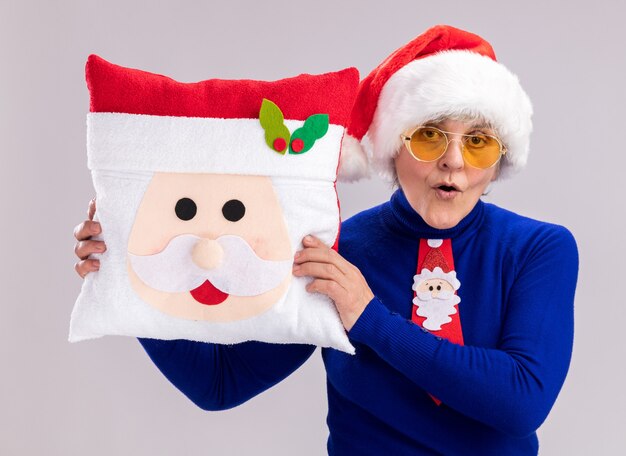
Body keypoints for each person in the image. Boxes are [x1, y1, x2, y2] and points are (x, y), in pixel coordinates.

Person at [72, 25, 578, 455]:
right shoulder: (338, 250)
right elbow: (220, 383)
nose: (453, 161)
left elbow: (521, 401)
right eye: (428, 135)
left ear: (498, 160)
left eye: (478, 141)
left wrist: (370, 319)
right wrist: (132, 272)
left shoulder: (540, 249)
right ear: (389, 147)